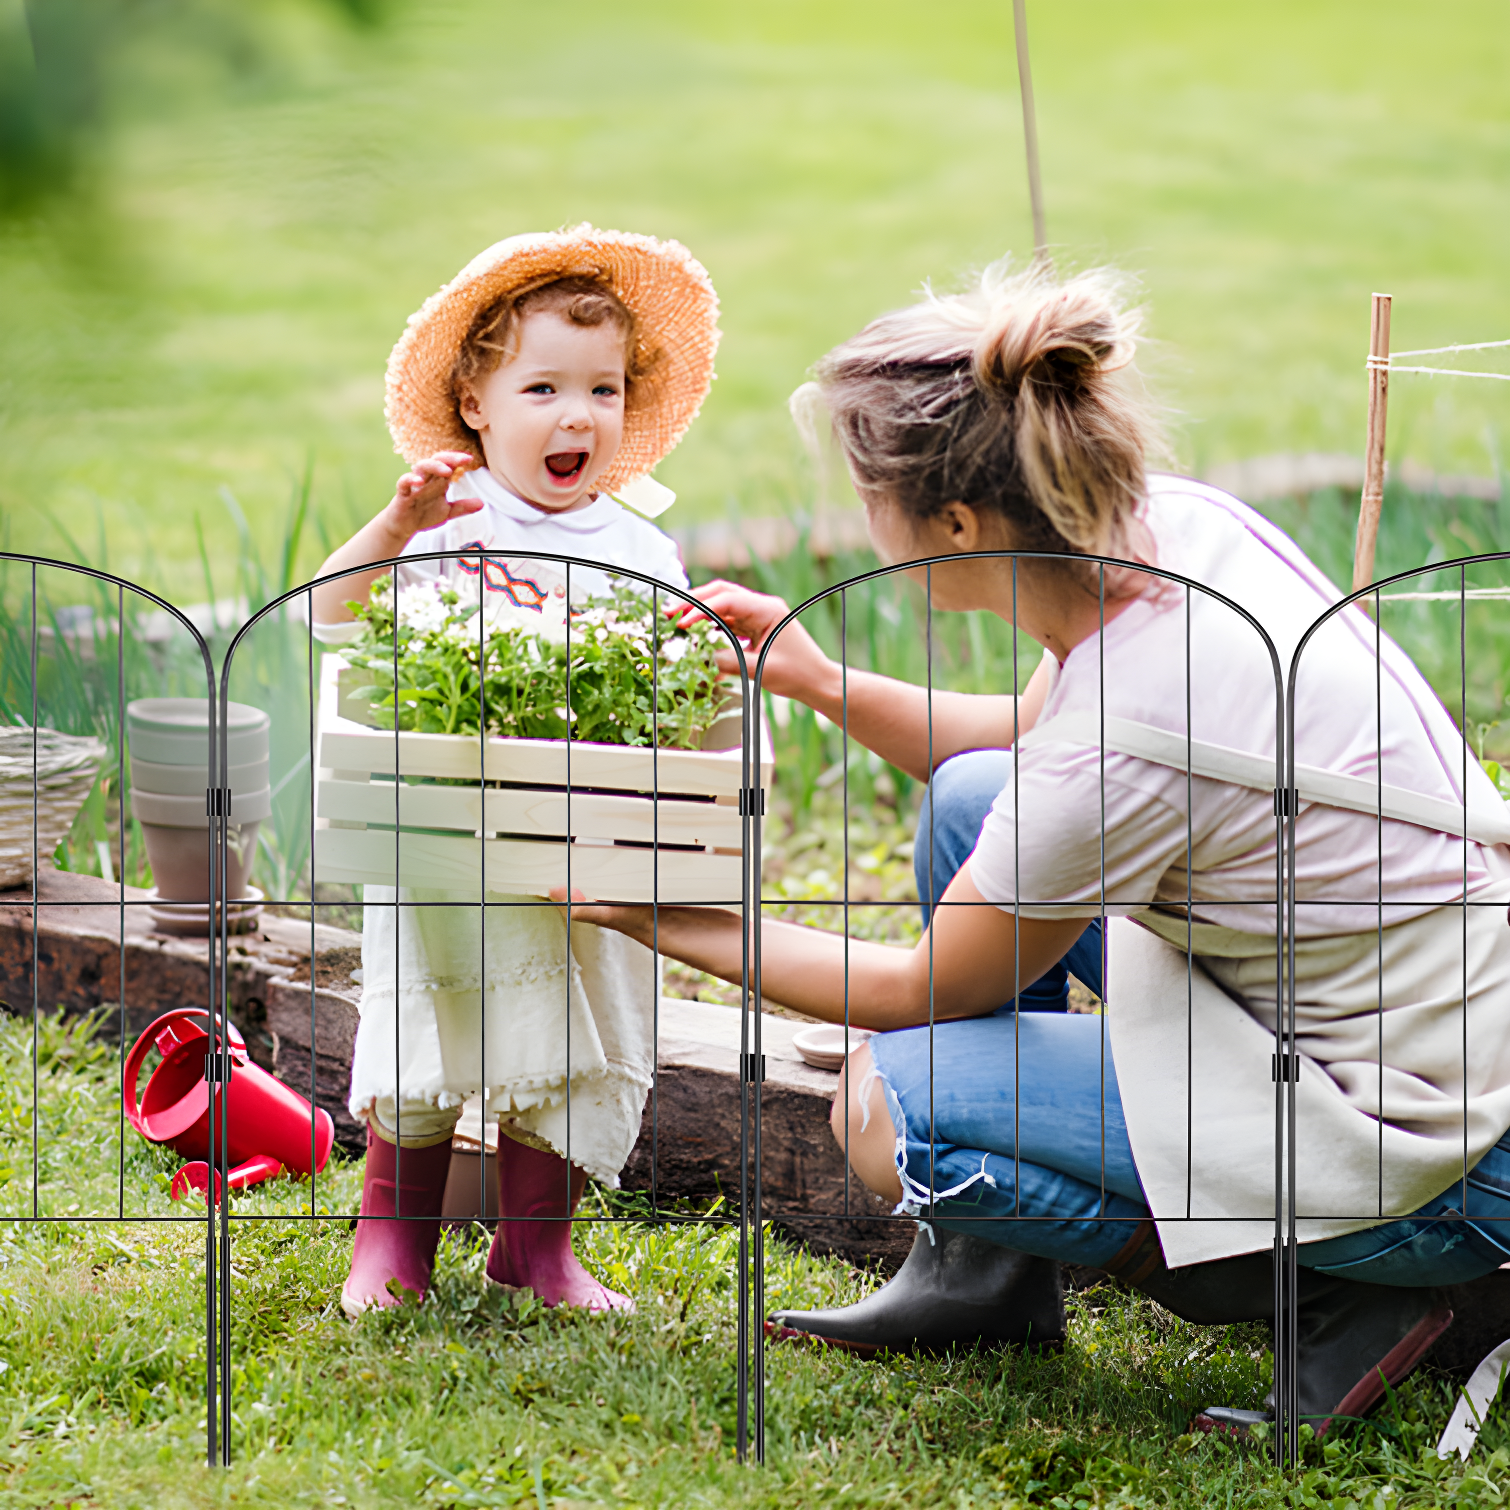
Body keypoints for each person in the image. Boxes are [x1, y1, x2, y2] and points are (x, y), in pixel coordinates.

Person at [572, 258, 1510, 1434]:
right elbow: (1021, 749)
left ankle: (1328, 1276)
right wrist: (810, 677)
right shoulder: (1168, 532)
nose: (860, 517)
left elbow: (919, 988)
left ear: (954, 522)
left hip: (1438, 1149)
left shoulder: (1122, 734)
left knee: (893, 1104)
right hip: (1430, 1019)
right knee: (975, 798)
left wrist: (663, 918)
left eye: (868, 491)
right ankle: (986, 1282)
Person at [310, 226, 719, 1317]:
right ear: (476, 403)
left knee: (576, 1031)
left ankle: (537, 1250)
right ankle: (392, 1241)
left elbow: (676, 667)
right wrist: (395, 523)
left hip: (582, 837)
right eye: (541, 386)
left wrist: (698, 646)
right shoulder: (447, 521)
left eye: (602, 388)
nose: (576, 414)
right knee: (429, 1016)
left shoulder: (636, 543)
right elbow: (328, 617)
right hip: (444, 836)